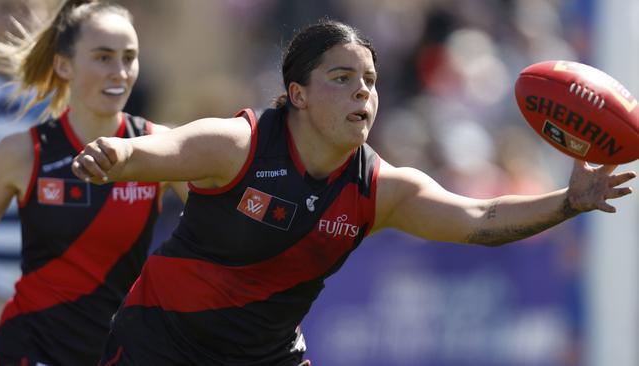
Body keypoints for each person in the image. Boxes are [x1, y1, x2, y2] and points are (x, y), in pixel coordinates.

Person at [72, 20, 635, 366]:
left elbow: (480, 217)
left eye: (369, 80)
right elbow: (159, 149)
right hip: (159, 348)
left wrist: (568, 200)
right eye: (341, 78)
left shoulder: (378, 188)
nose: (361, 91)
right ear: (297, 94)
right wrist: (114, 156)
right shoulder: (237, 145)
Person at [0, 0, 187, 364]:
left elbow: (226, 241)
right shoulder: (22, 152)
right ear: (64, 65)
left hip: (116, 352)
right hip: (29, 350)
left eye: (129, 57)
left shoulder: (163, 148)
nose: (120, 72)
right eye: (103, 57)